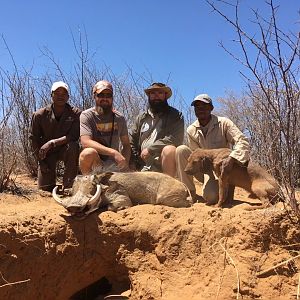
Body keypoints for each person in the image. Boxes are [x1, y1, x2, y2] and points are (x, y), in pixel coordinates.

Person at [176, 93, 250, 203]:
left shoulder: (224, 123)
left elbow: (242, 141)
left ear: (211, 108)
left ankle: (225, 188)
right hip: (204, 169)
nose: (201, 110)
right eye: (197, 107)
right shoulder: (191, 129)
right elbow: (194, 154)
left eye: (204, 107)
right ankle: (189, 192)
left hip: (222, 169)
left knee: (211, 197)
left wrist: (232, 158)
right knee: (181, 150)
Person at [30, 81, 81, 191]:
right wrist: (41, 162)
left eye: (64, 94)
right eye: (57, 93)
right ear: (51, 95)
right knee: (45, 189)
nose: (60, 96)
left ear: (68, 97)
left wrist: (52, 143)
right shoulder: (39, 115)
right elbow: (34, 139)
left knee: (73, 146)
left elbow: (73, 136)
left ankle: (69, 185)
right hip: (46, 154)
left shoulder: (76, 113)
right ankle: (48, 180)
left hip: (65, 149)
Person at [130, 82, 184, 177]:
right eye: (153, 93)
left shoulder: (176, 115)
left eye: (160, 93)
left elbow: (175, 138)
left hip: (162, 161)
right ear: (149, 96)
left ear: (165, 96)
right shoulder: (141, 117)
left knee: (169, 150)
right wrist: (134, 159)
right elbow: (132, 139)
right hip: (143, 162)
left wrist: (151, 149)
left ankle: (168, 186)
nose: (156, 96)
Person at [79, 80, 131, 174]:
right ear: (94, 96)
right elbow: (85, 142)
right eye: (101, 95)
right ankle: (89, 184)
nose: (105, 98)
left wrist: (125, 162)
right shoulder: (86, 115)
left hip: (115, 166)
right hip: (96, 164)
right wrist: (113, 152)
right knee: (88, 153)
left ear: (112, 97)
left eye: (108, 95)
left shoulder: (120, 118)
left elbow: (126, 144)